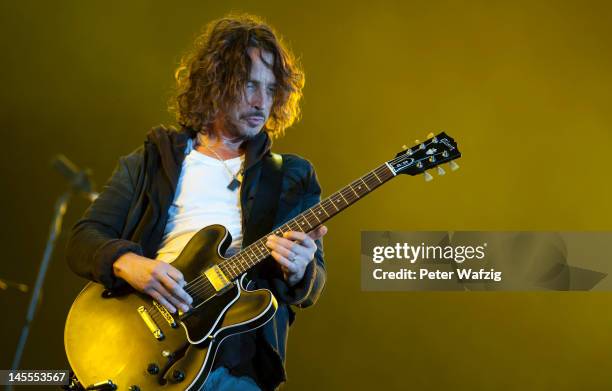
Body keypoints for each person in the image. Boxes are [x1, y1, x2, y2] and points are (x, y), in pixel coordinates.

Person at [66, 14, 327, 391]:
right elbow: (82, 241)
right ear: (215, 83)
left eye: (271, 90)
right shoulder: (153, 160)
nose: (261, 101)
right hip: (139, 342)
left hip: (234, 361)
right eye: (250, 84)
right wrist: (130, 263)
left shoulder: (291, 175)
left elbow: (314, 282)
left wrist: (301, 269)